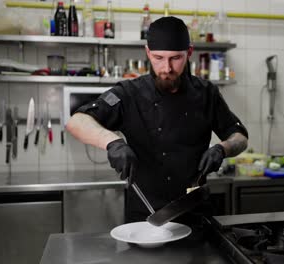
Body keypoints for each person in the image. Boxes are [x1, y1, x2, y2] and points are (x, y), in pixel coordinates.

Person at [66, 16, 248, 223]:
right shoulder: (128, 93)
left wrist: (222, 149)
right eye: (158, 58)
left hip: (195, 213)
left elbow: (239, 136)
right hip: (145, 215)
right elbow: (77, 122)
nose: (167, 68)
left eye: (176, 58)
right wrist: (112, 143)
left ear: (189, 53)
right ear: (147, 53)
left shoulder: (207, 93)